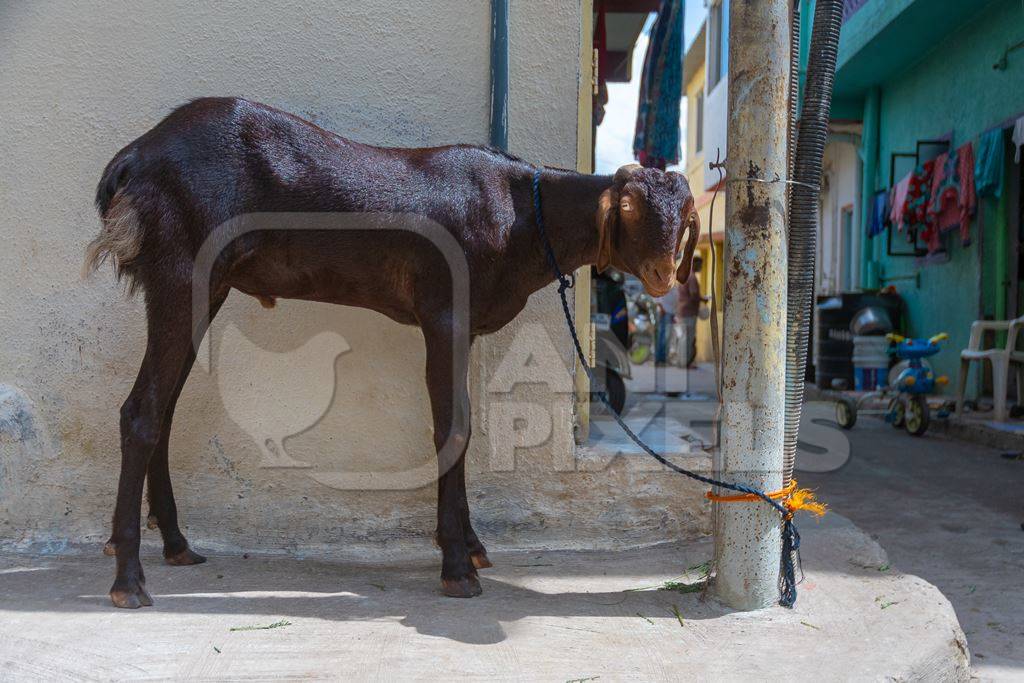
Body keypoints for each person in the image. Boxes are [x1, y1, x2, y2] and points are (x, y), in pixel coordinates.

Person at [675, 255, 707, 368]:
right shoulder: (692, 277)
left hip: (682, 311)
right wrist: (704, 299)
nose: (701, 267)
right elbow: (694, 295)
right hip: (688, 311)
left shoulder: (685, 276)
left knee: (683, 337)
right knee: (688, 338)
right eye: (700, 264)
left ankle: (681, 362)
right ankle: (686, 363)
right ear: (694, 264)